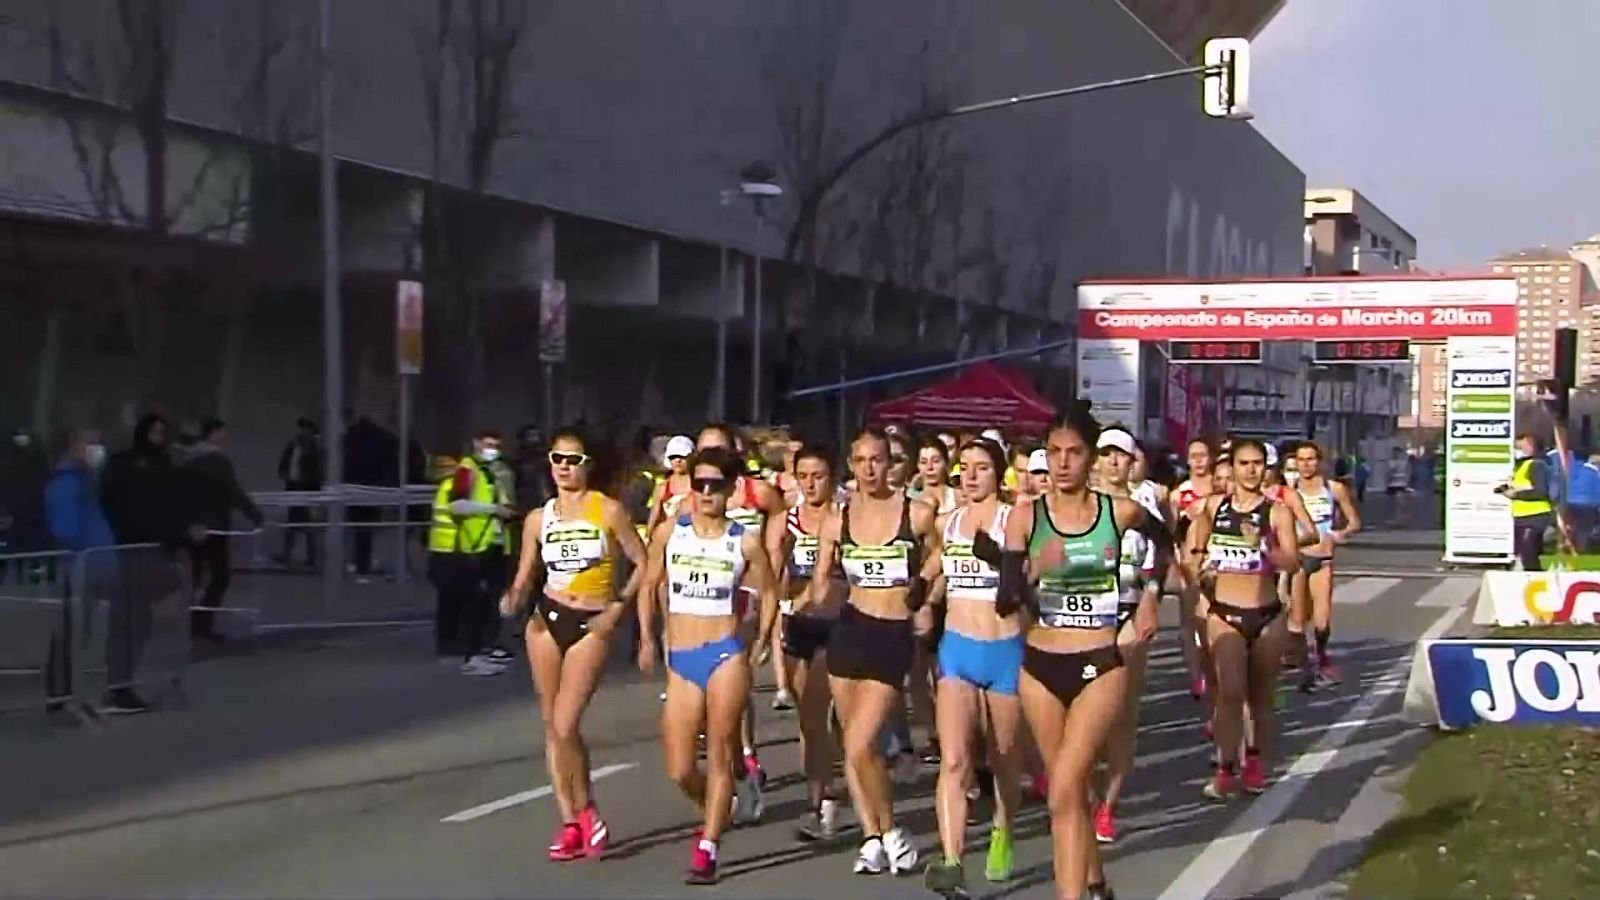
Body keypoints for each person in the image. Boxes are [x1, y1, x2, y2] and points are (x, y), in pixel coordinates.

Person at [996, 410, 1163, 900]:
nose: (1063, 463)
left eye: (1074, 453)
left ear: (1090, 458)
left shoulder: (1121, 512)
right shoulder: (1027, 517)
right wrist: (1032, 569)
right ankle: (1095, 882)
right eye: (1055, 453)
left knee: (1064, 789)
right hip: (1042, 665)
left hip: (1099, 662)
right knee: (1070, 791)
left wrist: (1150, 593)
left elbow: (1164, 542)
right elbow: (1005, 600)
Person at [500, 429, 646, 862]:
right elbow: (527, 575)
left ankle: (587, 809)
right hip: (547, 621)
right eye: (557, 459)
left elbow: (642, 562)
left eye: (573, 459)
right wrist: (513, 596)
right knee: (553, 728)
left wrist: (618, 610)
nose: (564, 466)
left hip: (592, 622)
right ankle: (571, 822)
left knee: (566, 724)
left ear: (588, 466)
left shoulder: (608, 510)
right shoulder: (537, 519)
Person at [638, 446, 779, 885]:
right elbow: (648, 585)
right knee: (680, 767)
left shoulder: (744, 541)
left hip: (724, 654)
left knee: (719, 750)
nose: (704, 493)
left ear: (731, 489)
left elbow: (770, 592)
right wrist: (646, 637)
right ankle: (719, 804)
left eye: (714, 486)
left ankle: (709, 845)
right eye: (697, 484)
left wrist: (759, 642)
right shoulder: (670, 533)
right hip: (681, 658)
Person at [807, 427, 939, 877]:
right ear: (851, 464)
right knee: (852, 745)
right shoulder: (836, 519)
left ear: (890, 464)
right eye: (860, 460)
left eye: (877, 460)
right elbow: (822, 580)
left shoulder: (917, 513)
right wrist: (810, 601)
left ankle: (891, 830)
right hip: (850, 629)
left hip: (892, 634)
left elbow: (943, 553)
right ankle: (873, 836)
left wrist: (924, 595)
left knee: (864, 742)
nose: (868, 469)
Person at [922, 437, 1026, 894]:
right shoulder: (950, 522)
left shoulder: (1016, 520)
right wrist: (924, 599)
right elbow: (941, 568)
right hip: (957, 650)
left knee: (1004, 759)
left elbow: (1032, 580)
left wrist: (1000, 561)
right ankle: (951, 860)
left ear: (998, 473)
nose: (970, 475)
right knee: (955, 759)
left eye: (981, 468)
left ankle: (1003, 826)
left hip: (1005, 651)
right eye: (964, 467)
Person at [1188, 439, 1301, 800]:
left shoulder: (1277, 511)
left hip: (1266, 614)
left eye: (1257, 464)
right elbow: (1195, 555)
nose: (1251, 470)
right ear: (1232, 468)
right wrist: (1200, 570)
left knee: (1260, 696)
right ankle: (1224, 768)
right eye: (1244, 463)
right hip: (1224, 612)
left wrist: (1266, 545)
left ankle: (1254, 761)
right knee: (1230, 692)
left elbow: (1293, 563)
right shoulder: (1212, 507)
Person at [692, 424, 786, 820]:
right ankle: (730, 759)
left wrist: (772, 565)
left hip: (742, 594)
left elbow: (779, 522)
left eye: (719, 449)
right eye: (704, 449)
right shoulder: (689, 493)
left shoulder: (756, 492)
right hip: (697, 602)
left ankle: (743, 756)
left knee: (733, 680)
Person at [1088, 427, 1164, 846]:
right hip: (1082, 616)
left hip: (1129, 609)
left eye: (1123, 455)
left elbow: (1160, 550)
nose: (1115, 462)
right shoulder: (1077, 503)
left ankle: (1107, 808)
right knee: (1085, 716)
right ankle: (1083, 793)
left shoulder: (1143, 504)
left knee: (1121, 715)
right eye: (1107, 454)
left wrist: (1152, 594)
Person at [98, 414, 199, 714]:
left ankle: (122, 685)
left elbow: (170, 506)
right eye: (153, 430)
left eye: (161, 431)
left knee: (137, 623)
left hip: (149, 550)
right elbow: (118, 503)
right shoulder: (127, 464)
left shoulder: (161, 465)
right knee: (127, 622)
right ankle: (119, 686)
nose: (158, 436)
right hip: (130, 549)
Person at [779, 444, 848, 842]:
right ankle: (820, 795)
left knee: (829, 714)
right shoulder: (784, 522)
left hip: (839, 624)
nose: (810, 483)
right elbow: (772, 577)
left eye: (818, 475)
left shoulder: (845, 519)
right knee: (809, 720)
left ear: (832, 476)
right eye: (803, 475)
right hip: (799, 624)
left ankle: (827, 799)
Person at [428, 430, 517, 674]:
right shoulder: (467, 471)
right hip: (471, 546)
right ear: (476, 444)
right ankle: (469, 651)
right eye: (488, 445)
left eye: (497, 445)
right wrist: (494, 509)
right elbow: (457, 505)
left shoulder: (494, 471)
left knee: (487, 600)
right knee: (469, 602)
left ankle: (482, 648)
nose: (493, 450)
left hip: (491, 542)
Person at [183, 418, 263, 644]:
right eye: (222, 432)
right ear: (212, 434)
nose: (226, 437)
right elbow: (233, 492)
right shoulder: (217, 461)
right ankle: (201, 624)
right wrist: (256, 516)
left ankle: (191, 622)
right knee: (220, 576)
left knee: (196, 575)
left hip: (194, 526)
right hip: (214, 525)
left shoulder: (191, 459)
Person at [1288, 441, 1361, 688]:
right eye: (1301, 459)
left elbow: (1354, 521)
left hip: (1323, 559)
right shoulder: (1289, 491)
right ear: (1295, 463)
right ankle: (1305, 667)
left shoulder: (1334, 489)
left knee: (1322, 620)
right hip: (1297, 560)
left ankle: (1320, 657)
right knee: (1297, 620)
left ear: (1320, 461)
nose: (1306, 464)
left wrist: (1341, 534)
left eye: (1311, 459)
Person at [1497, 433, 1554, 572]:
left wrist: (1516, 494)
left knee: (1529, 555)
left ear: (1531, 445)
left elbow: (1540, 491)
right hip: (1523, 517)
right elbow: (1524, 485)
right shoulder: (1524, 465)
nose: (1517, 447)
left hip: (1535, 516)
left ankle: (1538, 582)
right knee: (1523, 555)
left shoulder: (1537, 465)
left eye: (1520, 444)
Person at [275, 417, 323, 568]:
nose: (301, 432)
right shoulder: (293, 445)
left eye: (304, 428)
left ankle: (311, 557)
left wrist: (315, 491)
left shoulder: (314, 447)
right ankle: (287, 553)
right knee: (293, 523)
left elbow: (318, 471)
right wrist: (284, 475)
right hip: (293, 487)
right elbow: (284, 462)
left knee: (307, 524)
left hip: (307, 489)